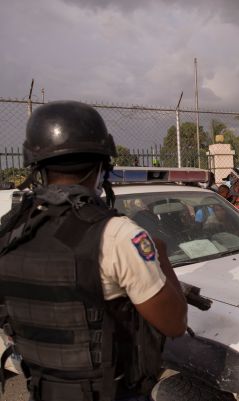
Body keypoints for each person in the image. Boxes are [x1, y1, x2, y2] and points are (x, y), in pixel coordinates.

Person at [0, 101, 187, 401]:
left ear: (35, 165)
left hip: (42, 390)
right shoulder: (118, 236)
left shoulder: (10, 231)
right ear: (102, 166)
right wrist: (161, 255)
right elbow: (175, 323)